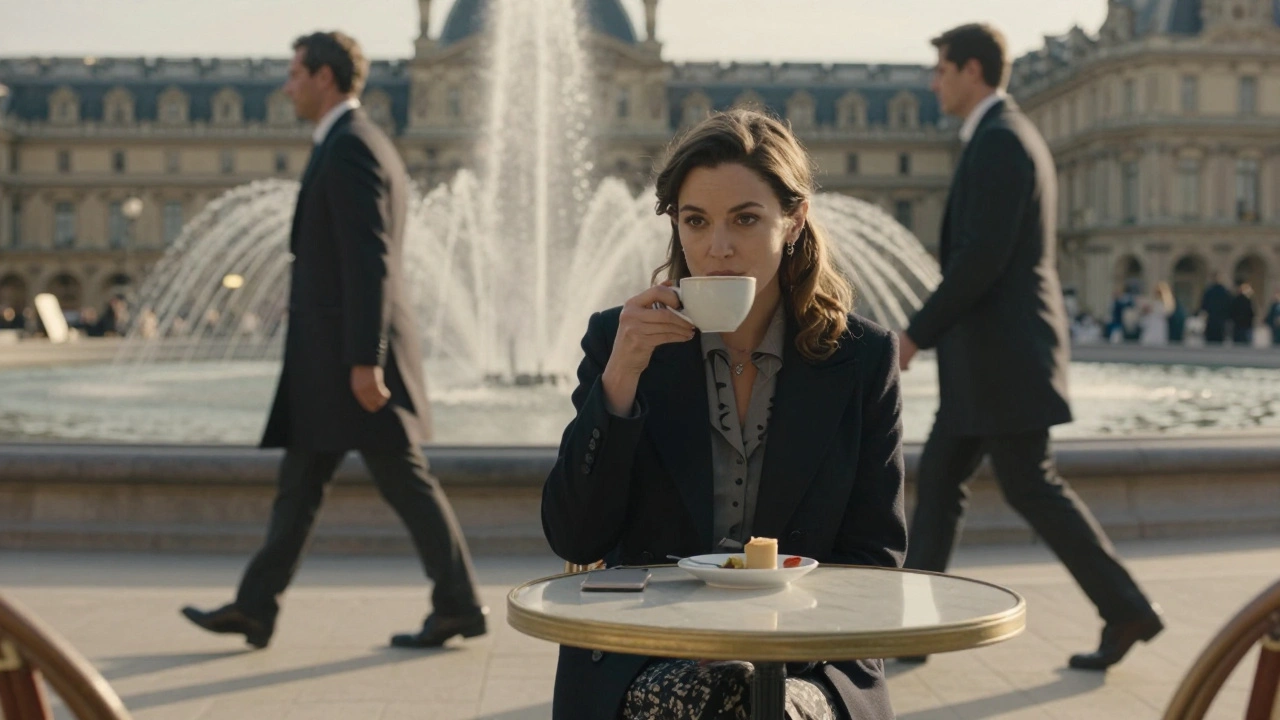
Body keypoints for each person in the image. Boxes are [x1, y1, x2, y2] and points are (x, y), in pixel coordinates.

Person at [543, 109, 906, 720]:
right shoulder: (622, 342)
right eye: (696, 221)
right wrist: (621, 378)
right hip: (647, 646)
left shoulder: (862, 358)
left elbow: (875, 560)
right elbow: (576, 534)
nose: (718, 248)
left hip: (810, 655)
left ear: (793, 222)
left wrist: (773, 647)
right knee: (722, 700)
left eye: (745, 219)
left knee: (748, 700)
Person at [181, 31, 485, 650]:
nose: (287, 86)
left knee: (402, 478)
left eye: (295, 74)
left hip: (350, 359)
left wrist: (364, 360)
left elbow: (369, 259)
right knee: (302, 484)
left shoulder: (350, 146)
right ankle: (255, 606)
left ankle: (458, 603)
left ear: (324, 77)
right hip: (335, 358)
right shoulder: (353, 142)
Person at [896, 23, 1162, 671]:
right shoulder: (1003, 137)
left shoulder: (1001, 142)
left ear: (973, 71)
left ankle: (1126, 608)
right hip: (994, 359)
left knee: (1024, 487)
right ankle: (917, 625)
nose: (934, 82)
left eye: (941, 70)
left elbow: (980, 259)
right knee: (943, 482)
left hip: (1001, 361)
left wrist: (915, 333)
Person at [1199, 273, 1231, 344]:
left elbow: (1204, 306)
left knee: (1210, 342)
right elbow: (1229, 307)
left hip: (1211, 320)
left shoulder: (1209, 291)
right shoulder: (1225, 292)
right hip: (1221, 321)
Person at [1139, 282, 1173, 346]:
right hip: (1150, 326)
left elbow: (1166, 313)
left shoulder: (1166, 304)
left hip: (1159, 327)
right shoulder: (1152, 303)